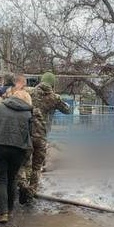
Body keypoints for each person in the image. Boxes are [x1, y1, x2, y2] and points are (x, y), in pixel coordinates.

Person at [0, 85, 33, 223]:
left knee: (1, 179)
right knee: (12, 178)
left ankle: (3, 213)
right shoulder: (28, 113)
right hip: (19, 149)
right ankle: (10, 210)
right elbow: (31, 133)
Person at [18, 72, 71, 203]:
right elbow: (67, 110)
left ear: (41, 81)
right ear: (52, 84)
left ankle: (23, 185)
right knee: (37, 166)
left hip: (26, 134)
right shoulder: (54, 98)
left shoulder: (29, 92)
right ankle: (31, 192)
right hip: (41, 136)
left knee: (23, 163)